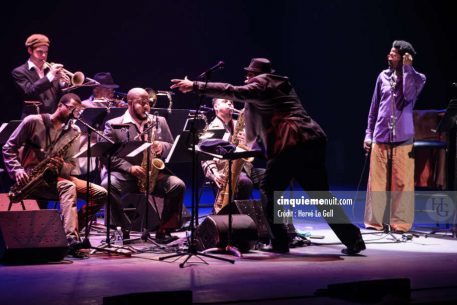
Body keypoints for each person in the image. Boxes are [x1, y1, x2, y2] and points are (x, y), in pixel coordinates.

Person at [171, 58, 365, 255]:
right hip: (310, 140)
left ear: (256, 75)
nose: (246, 78)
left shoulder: (264, 82)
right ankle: (353, 239)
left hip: (291, 143)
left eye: (249, 74)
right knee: (319, 194)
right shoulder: (279, 86)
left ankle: (280, 241)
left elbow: (232, 90)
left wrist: (195, 85)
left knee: (270, 188)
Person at [2, 93, 107, 257]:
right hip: (32, 179)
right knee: (68, 186)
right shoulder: (33, 121)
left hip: (56, 177)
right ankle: (72, 240)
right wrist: (17, 170)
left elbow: (72, 166)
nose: (74, 114)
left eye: (78, 111)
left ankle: (70, 231)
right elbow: (9, 148)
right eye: (71, 109)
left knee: (100, 193)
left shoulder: (74, 131)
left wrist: (60, 166)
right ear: (60, 105)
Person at [101, 87, 185, 244]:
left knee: (177, 185)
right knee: (107, 185)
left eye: (148, 102)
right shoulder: (113, 125)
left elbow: (171, 145)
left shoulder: (159, 121)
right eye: (141, 103)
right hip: (125, 175)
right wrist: (129, 168)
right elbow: (106, 155)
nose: (147, 106)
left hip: (151, 174)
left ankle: (164, 230)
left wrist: (162, 146)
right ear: (129, 102)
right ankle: (122, 228)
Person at [363, 40, 426, 233]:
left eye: (394, 54)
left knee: (402, 183)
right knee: (377, 183)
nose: (389, 56)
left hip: (403, 139)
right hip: (380, 136)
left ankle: (400, 224)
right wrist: (368, 134)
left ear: (404, 57)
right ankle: (375, 223)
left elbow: (407, 95)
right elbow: (374, 107)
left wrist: (407, 69)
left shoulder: (418, 78)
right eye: (389, 53)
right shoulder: (382, 76)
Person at [202, 98, 265, 213]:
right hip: (223, 172)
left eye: (231, 101)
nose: (230, 103)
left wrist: (248, 142)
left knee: (271, 176)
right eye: (225, 101)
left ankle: (273, 219)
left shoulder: (239, 125)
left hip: (245, 168)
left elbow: (252, 149)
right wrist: (214, 173)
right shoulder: (211, 128)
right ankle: (239, 218)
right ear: (216, 107)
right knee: (244, 182)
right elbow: (204, 156)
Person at [12, 34, 68, 118]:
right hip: (32, 120)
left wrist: (63, 84)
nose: (44, 56)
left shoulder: (50, 70)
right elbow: (29, 92)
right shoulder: (19, 72)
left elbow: (58, 97)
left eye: (46, 52)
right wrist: (50, 76)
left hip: (52, 117)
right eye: (40, 52)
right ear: (30, 51)